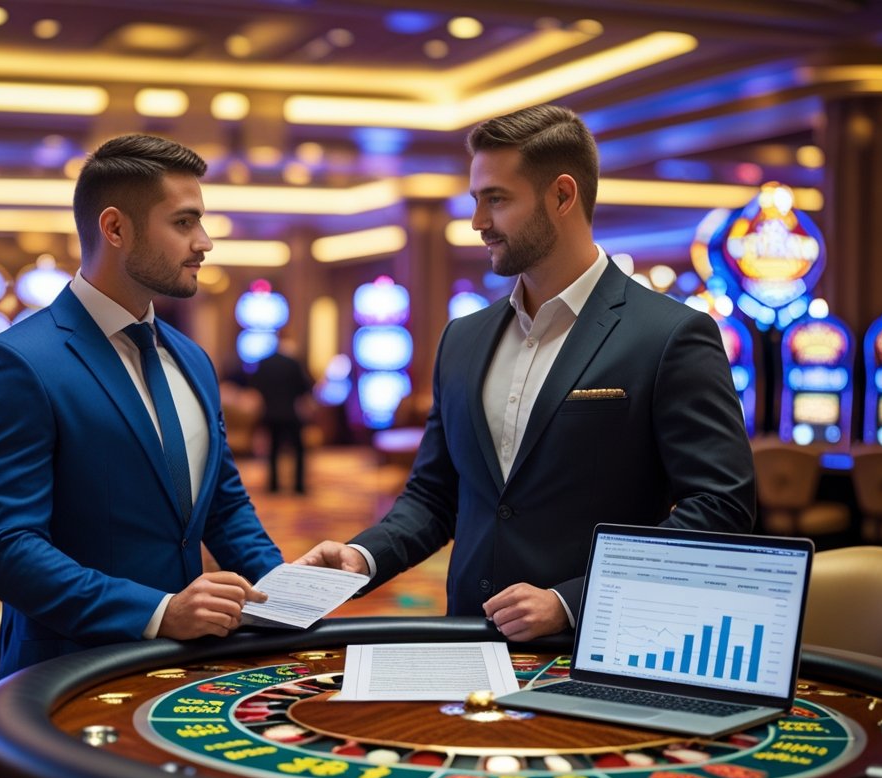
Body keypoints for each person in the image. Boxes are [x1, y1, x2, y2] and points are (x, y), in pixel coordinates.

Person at [296, 104, 755, 642]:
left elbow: (720, 508)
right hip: (464, 639)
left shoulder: (670, 334)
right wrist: (362, 556)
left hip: (597, 644)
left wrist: (573, 600)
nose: (477, 222)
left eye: (497, 199)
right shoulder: (463, 338)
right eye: (476, 200)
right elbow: (434, 496)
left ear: (562, 196)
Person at [0, 134, 282, 681]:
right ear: (115, 229)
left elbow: (223, 509)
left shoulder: (193, 360)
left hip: (188, 665)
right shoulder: (15, 362)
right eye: (183, 223)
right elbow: (5, 549)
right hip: (67, 668)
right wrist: (158, 612)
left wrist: (290, 589)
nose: (204, 242)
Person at [250, 337, 314, 493]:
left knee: (273, 450)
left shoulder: (264, 363)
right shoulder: (293, 364)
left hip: (270, 413)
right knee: (298, 450)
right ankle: (299, 486)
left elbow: (256, 386)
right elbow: (305, 387)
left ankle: (273, 486)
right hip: (291, 413)